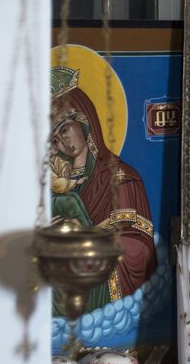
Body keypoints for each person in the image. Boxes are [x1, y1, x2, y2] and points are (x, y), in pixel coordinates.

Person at [49, 66, 157, 311]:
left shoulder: (122, 177)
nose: (64, 142)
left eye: (65, 129)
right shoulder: (58, 184)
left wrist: (84, 237)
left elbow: (139, 249)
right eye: (55, 139)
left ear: (84, 122)